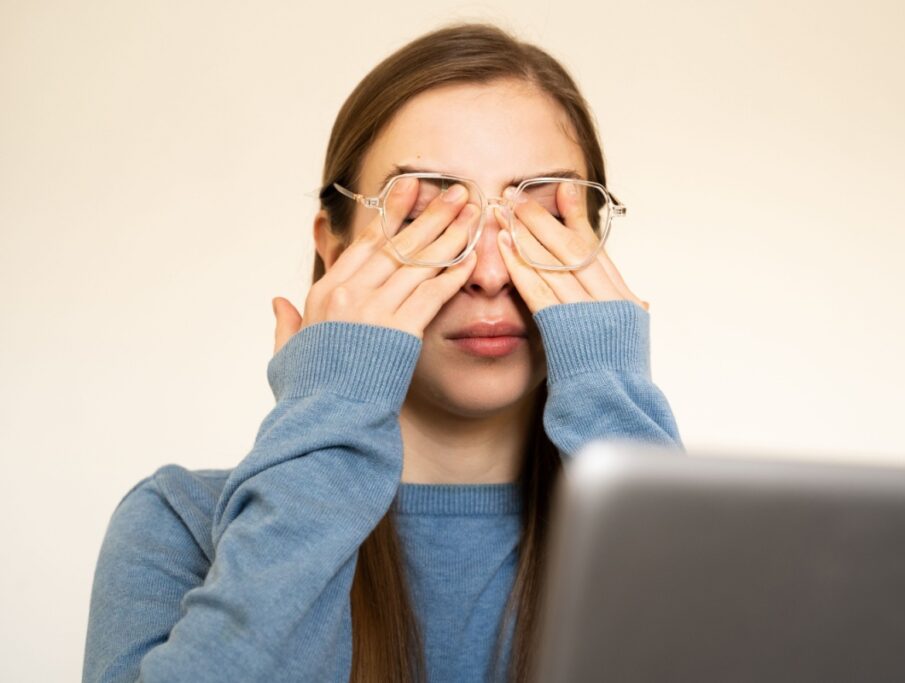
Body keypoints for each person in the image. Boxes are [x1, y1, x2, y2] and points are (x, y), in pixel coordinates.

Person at [83, 22, 682, 683]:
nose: (489, 275)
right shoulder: (179, 523)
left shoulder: (695, 530)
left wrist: (617, 419)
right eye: (426, 222)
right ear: (336, 251)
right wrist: (333, 405)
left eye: (545, 222)